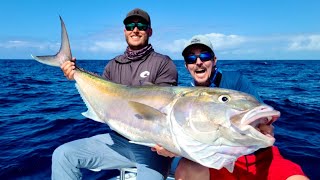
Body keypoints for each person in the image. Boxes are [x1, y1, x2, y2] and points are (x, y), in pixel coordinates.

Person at [154, 35, 309, 180]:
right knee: (186, 170)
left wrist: (265, 128)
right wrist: (170, 147)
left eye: (205, 56)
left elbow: (261, 118)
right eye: (191, 58)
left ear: (214, 60)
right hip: (219, 160)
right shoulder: (185, 98)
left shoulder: (235, 81)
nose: (199, 62)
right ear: (187, 66)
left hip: (259, 157)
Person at [54, 8, 178, 180]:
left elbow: (163, 113)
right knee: (63, 155)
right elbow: (104, 103)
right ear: (124, 31)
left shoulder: (163, 63)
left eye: (141, 25)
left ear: (149, 31)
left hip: (151, 147)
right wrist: (74, 73)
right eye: (130, 26)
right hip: (118, 142)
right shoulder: (113, 65)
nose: (135, 30)